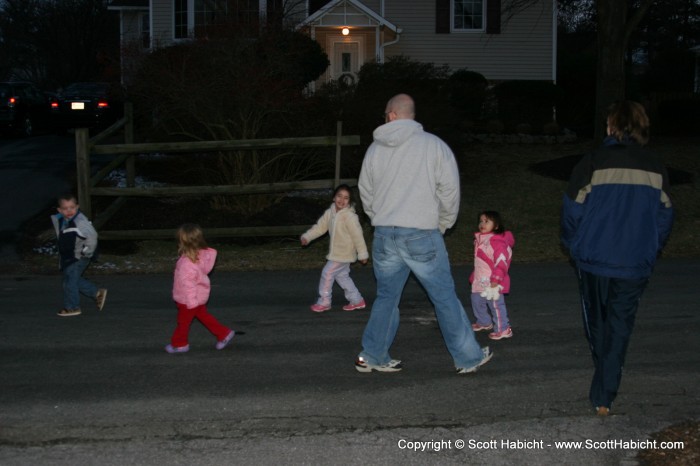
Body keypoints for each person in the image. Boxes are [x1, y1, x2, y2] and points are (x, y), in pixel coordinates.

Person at [356, 93, 493, 374]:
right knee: (443, 297)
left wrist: (379, 219)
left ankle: (373, 355)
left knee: (386, 298)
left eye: (385, 114)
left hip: (384, 235)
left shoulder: (374, 150)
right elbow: (449, 191)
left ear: (393, 115)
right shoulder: (434, 146)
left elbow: (365, 192)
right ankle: (468, 357)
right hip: (421, 234)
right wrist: (442, 223)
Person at [561, 101, 674, 416]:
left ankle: (604, 388)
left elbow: (572, 211)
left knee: (598, 323)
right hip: (634, 261)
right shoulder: (655, 167)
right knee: (620, 324)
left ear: (611, 127)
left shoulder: (593, 162)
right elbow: (665, 216)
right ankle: (605, 392)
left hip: (594, 259)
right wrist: (652, 247)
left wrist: (574, 245)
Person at [166, 223, 235, 354]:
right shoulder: (200, 256)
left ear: (182, 241)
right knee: (203, 316)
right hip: (198, 295)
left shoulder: (187, 263)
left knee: (183, 323)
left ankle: (180, 344)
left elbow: (189, 285)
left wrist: (191, 302)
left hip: (188, 299)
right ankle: (224, 333)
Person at [301, 184, 369, 312]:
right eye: (339, 196)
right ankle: (357, 300)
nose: (341, 200)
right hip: (337, 253)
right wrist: (307, 237)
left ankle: (325, 301)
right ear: (334, 197)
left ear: (350, 201)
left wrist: (363, 254)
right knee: (342, 277)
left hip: (343, 254)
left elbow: (358, 237)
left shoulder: (350, 217)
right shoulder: (330, 213)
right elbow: (320, 227)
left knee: (327, 273)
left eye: (346, 198)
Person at [51, 194, 107, 317]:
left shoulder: (80, 222)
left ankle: (72, 307)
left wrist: (86, 252)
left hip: (79, 256)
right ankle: (96, 293)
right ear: (60, 210)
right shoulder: (63, 220)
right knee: (70, 279)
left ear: (77, 207)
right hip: (70, 255)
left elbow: (92, 237)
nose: (69, 211)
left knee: (70, 281)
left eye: (72, 207)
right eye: (65, 208)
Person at [469, 211, 515, 340]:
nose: (482, 224)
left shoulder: (497, 242)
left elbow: (501, 262)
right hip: (480, 280)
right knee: (476, 301)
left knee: (495, 304)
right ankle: (484, 322)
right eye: (481, 221)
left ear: (496, 226)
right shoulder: (480, 240)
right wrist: (475, 276)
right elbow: (481, 262)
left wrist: (496, 280)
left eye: (486, 221)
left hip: (493, 282)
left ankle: (503, 329)